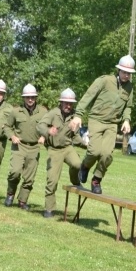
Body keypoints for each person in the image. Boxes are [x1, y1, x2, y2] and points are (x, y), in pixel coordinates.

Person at [70, 55, 136, 194]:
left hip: (112, 124)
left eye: (129, 73)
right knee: (94, 151)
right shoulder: (105, 80)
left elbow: (128, 107)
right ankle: (85, 166)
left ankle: (96, 180)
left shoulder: (129, 88)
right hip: (97, 120)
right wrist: (78, 115)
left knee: (106, 155)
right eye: (124, 72)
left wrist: (126, 120)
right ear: (118, 70)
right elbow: (88, 96)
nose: (126, 75)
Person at [37, 89, 83, 218]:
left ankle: (75, 180)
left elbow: (76, 137)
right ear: (61, 102)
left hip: (67, 148)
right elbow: (40, 126)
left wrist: (86, 144)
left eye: (70, 104)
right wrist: (47, 131)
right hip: (54, 150)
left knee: (78, 164)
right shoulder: (53, 113)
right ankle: (49, 209)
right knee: (52, 180)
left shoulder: (74, 117)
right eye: (66, 103)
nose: (68, 106)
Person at [4, 84, 47, 210]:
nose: (30, 100)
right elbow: (7, 126)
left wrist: (44, 136)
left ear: (36, 98)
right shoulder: (16, 111)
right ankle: (10, 194)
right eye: (27, 97)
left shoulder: (43, 112)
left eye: (32, 97)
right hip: (19, 146)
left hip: (34, 147)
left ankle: (22, 201)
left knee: (29, 178)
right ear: (23, 98)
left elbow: (49, 126)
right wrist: (12, 136)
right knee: (15, 172)